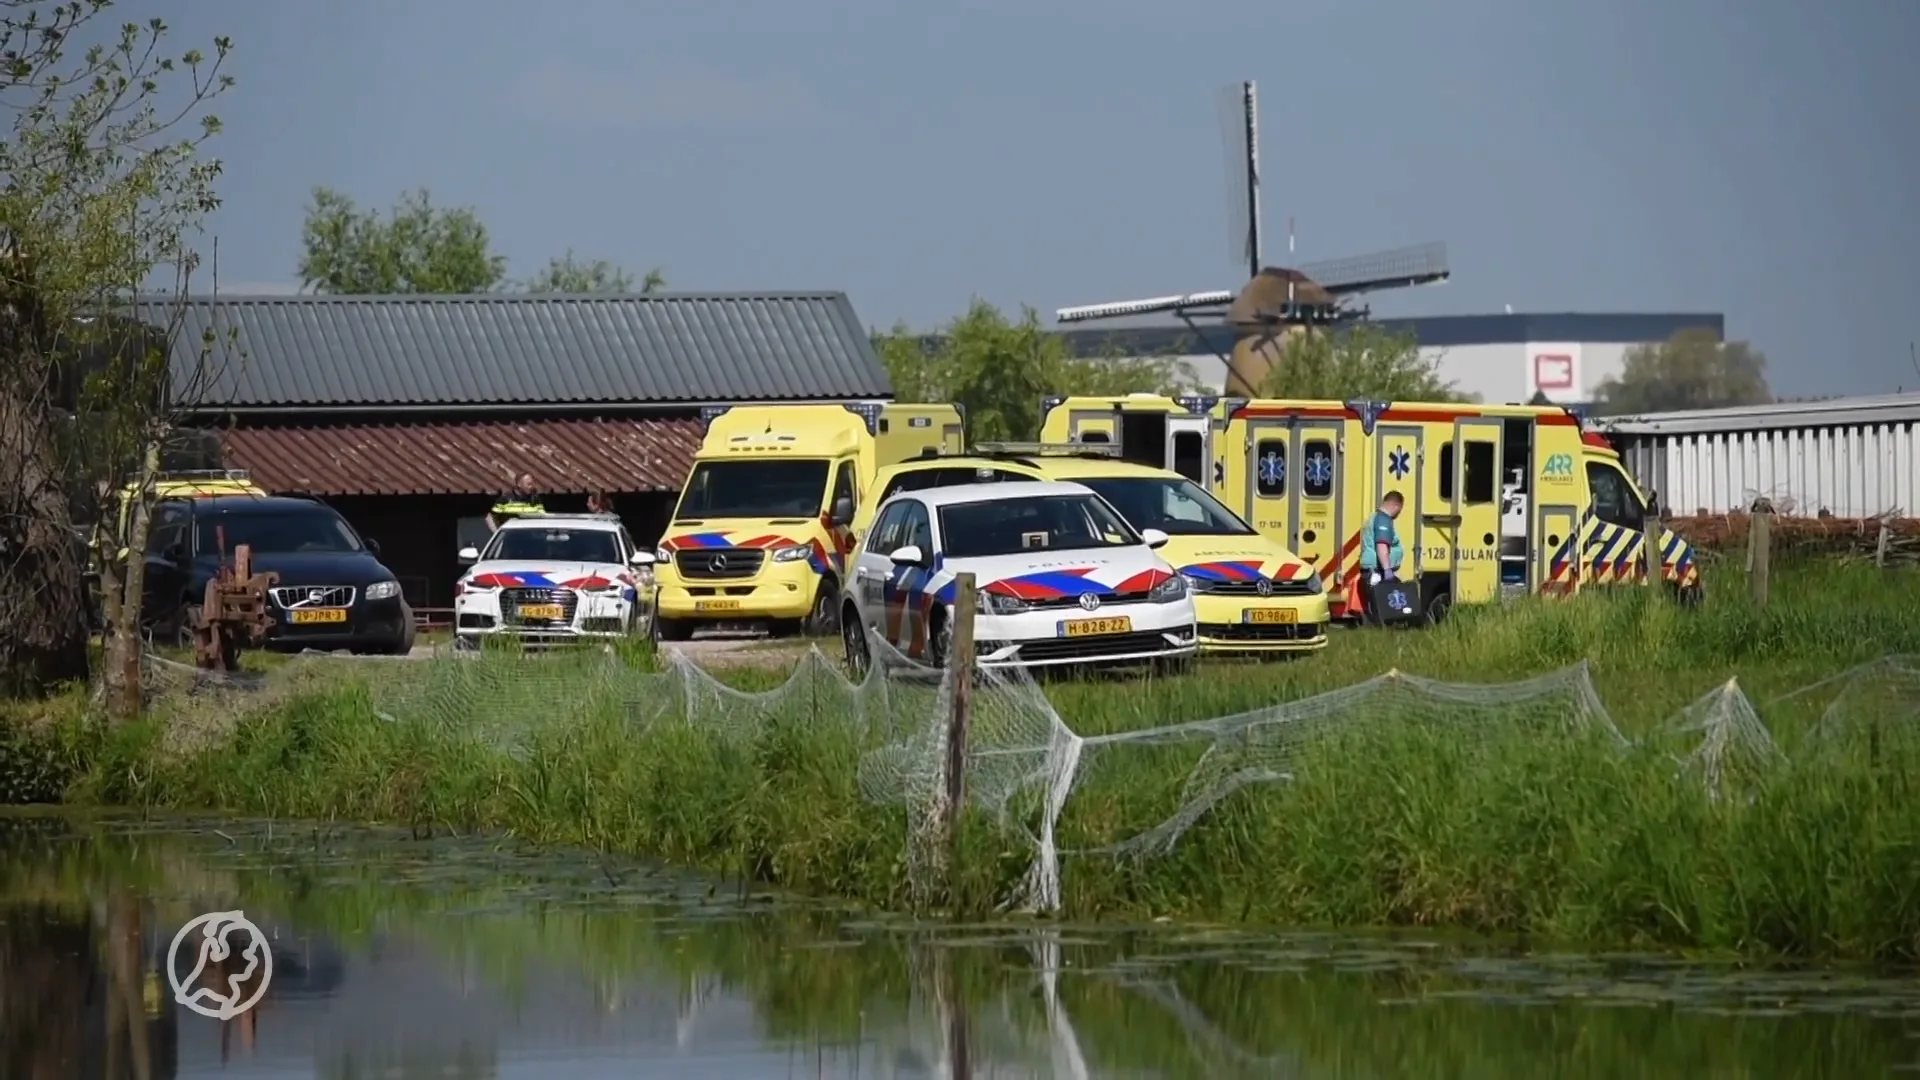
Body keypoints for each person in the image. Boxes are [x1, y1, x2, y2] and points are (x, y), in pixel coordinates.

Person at [1359, 490, 1406, 586]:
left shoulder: (1375, 517)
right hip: (1377, 572)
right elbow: (1381, 545)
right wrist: (1387, 571)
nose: (1399, 513)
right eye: (1400, 509)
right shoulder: (1383, 520)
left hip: (1374, 571)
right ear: (1396, 506)